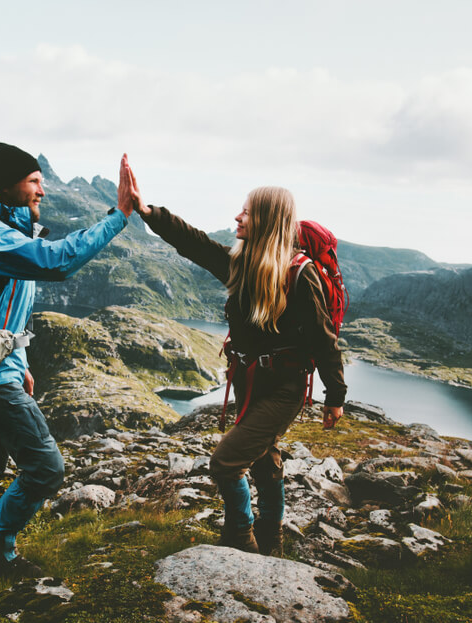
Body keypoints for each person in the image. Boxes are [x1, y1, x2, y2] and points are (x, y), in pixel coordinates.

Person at [122, 159, 346, 556]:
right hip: (248, 381)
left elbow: (323, 339)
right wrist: (146, 211)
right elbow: (193, 242)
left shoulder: (301, 274)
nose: (237, 217)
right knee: (262, 459)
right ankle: (272, 539)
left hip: (283, 388)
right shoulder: (241, 266)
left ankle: (240, 536)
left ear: (266, 220)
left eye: (246, 211)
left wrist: (335, 397)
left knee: (225, 463)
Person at [0, 143, 135, 578]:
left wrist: (23, 360)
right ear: (6, 185)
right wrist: (119, 215)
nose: (42, 191)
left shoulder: (7, 229)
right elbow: (58, 262)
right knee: (47, 470)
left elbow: (7, 308)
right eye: (34, 181)